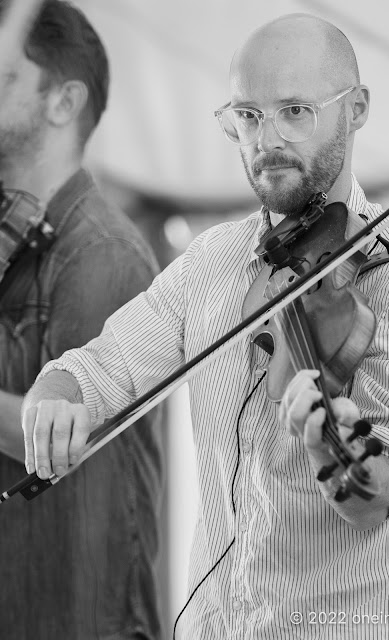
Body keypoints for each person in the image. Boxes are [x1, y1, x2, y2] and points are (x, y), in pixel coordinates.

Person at [22, 13, 389, 640]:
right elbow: (104, 367)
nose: (266, 140)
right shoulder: (211, 262)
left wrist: (333, 448)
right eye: (247, 116)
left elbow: (383, 494)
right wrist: (57, 392)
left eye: (295, 111)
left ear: (356, 109)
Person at [0, 1, 164, 639]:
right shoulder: (18, 235)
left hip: (80, 614)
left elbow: (60, 438)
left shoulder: (104, 254)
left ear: (62, 102)